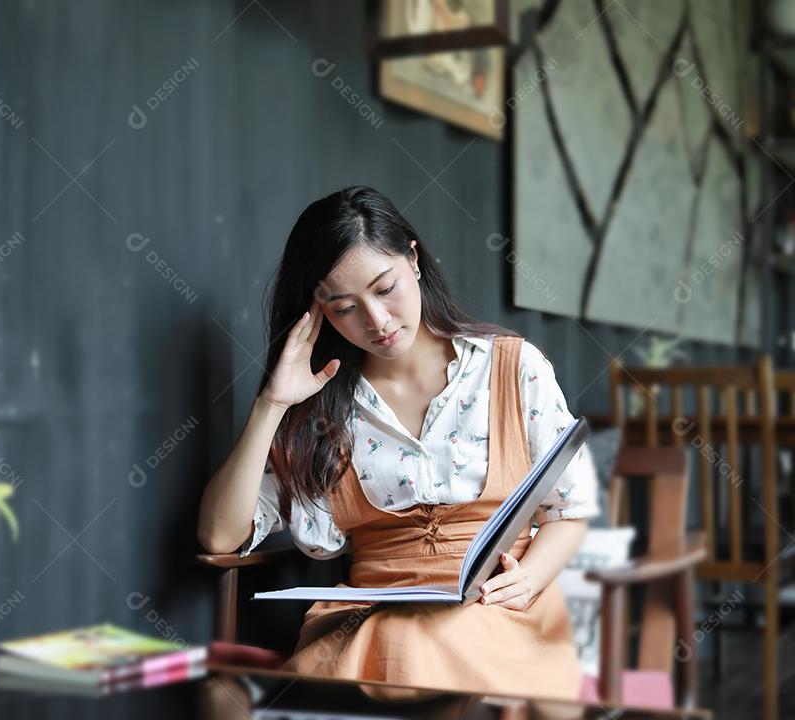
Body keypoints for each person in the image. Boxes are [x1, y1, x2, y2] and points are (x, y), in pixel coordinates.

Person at [196, 185, 599, 700]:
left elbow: (570, 510)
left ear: (413, 259)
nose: (377, 321)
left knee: (420, 651)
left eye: (385, 288)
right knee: (393, 647)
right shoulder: (321, 405)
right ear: (318, 315)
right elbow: (218, 536)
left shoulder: (512, 369)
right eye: (344, 308)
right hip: (371, 619)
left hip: (501, 611)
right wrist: (272, 404)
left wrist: (530, 578)